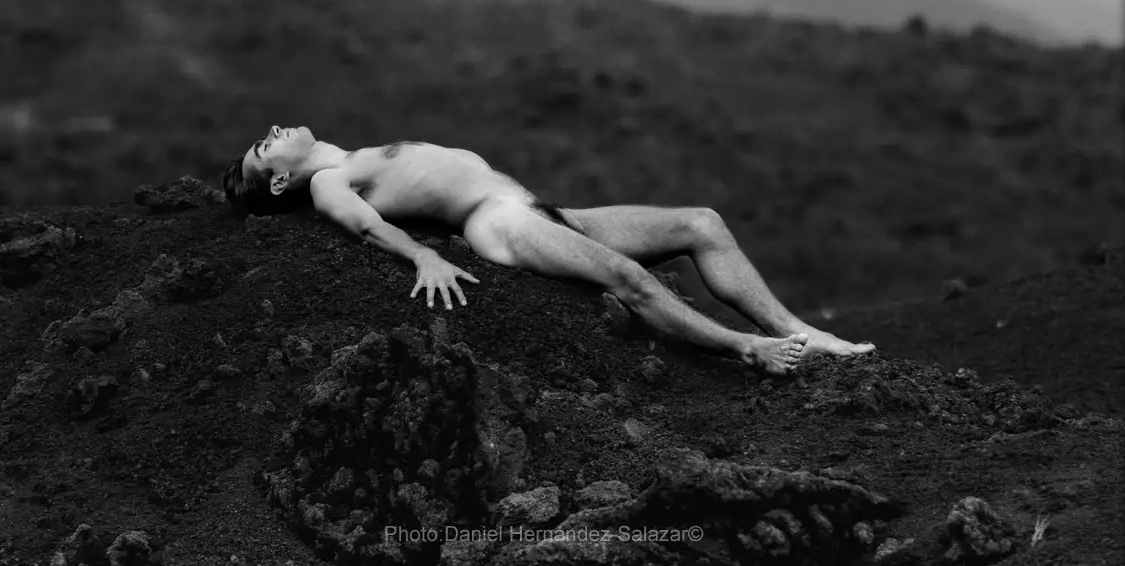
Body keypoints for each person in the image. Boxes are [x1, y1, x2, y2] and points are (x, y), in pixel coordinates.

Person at [222, 126, 875, 375]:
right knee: (623, 275)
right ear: (279, 181)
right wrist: (423, 256)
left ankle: (800, 331)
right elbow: (364, 227)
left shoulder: (347, 155)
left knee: (701, 223)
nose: (273, 131)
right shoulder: (329, 183)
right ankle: (747, 349)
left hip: (535, 206)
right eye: (263, 146)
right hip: (498, 223)